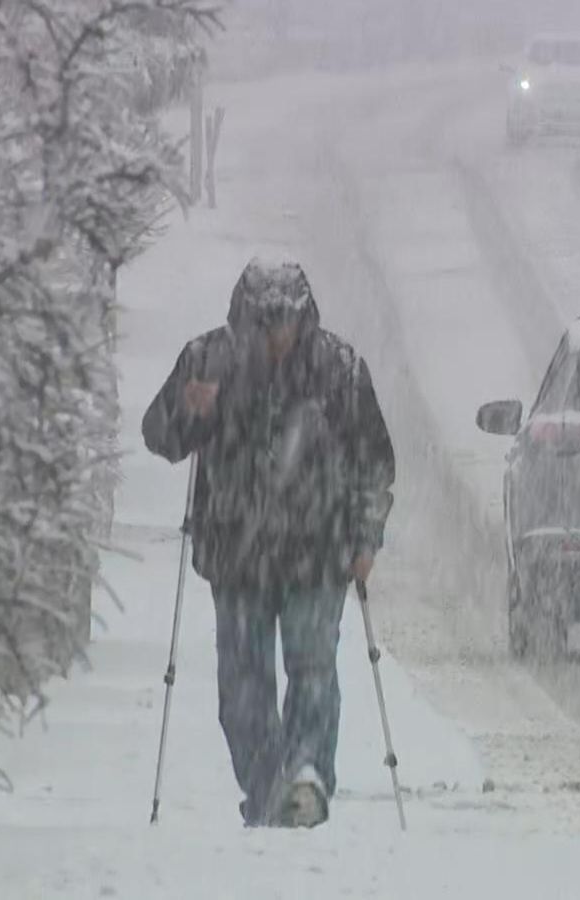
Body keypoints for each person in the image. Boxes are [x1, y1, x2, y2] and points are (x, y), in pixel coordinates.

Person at [142, 257, 395, 828]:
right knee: (242, 686)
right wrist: (187, 406)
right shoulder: (207, 361)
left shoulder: (339, 369)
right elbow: (160, 437)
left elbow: (373, 462)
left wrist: (365, 536)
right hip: (238, 555)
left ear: (304, 316)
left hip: (318, 552)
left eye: (286, 320)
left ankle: (305, 777)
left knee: (312, 669)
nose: (276, 334)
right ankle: (268, 790)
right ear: (244, 315)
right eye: (265, 321)